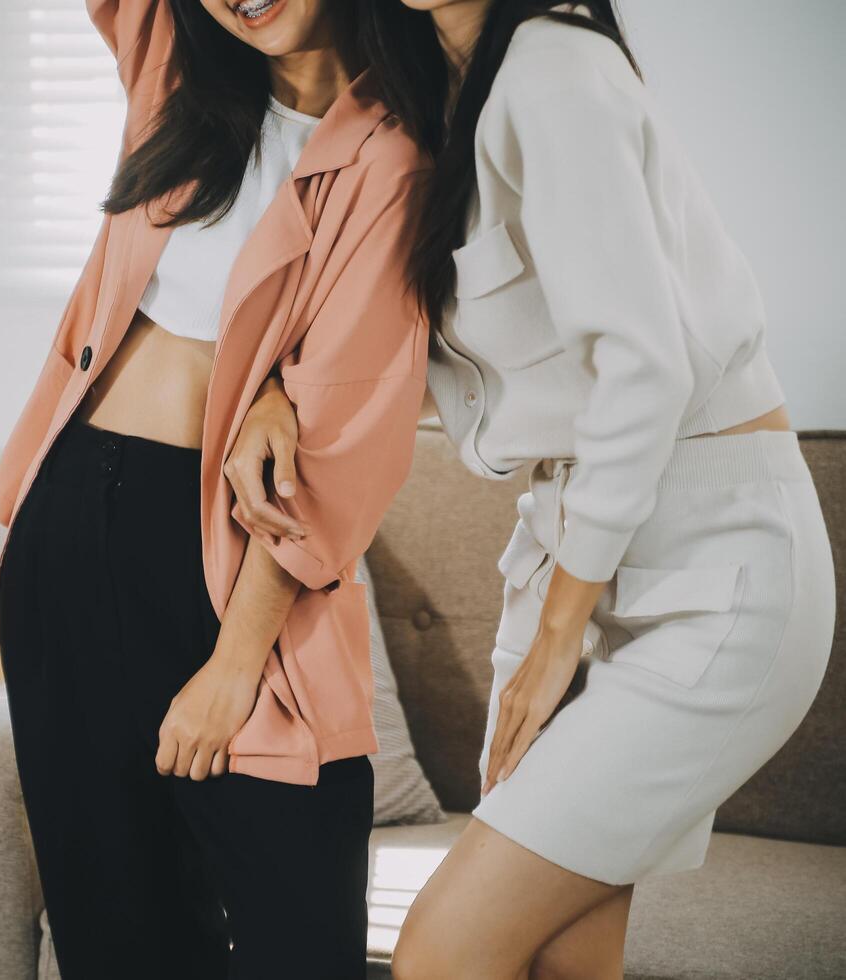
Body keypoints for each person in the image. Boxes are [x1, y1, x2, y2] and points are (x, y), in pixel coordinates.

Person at [223, 2, 835, 977]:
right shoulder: (442, 95)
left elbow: (644, 370)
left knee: (441, 949)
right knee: (564, 957)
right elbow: (442, 365)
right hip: (579, 552)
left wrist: (560, 634)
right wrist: (271, 398)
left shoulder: (553, 69)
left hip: (707, 566)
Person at [0, 0, 429, 975]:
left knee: (302, 934)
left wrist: (234, 665)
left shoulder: (392, 155)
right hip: (73, 529)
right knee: (115, 937)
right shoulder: (176, 80)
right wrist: (260, 379)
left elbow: (344, 433)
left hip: (234, 564)